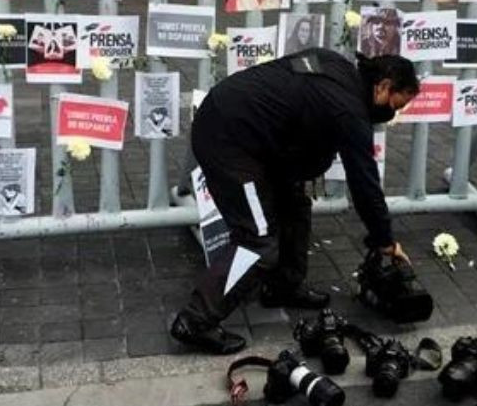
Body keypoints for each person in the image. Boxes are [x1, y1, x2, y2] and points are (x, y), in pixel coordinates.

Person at [170, 50, 419, 354]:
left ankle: (283, 286)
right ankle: (195, 321)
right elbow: (365, 184)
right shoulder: (349, 110)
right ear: (383, 86)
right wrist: (385, 241)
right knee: (257, 240)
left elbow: (298, 109)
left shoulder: (338, 67)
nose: (393, 114)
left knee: (294, 203)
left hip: (252, 133)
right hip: (229, 141)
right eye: (396, 105)